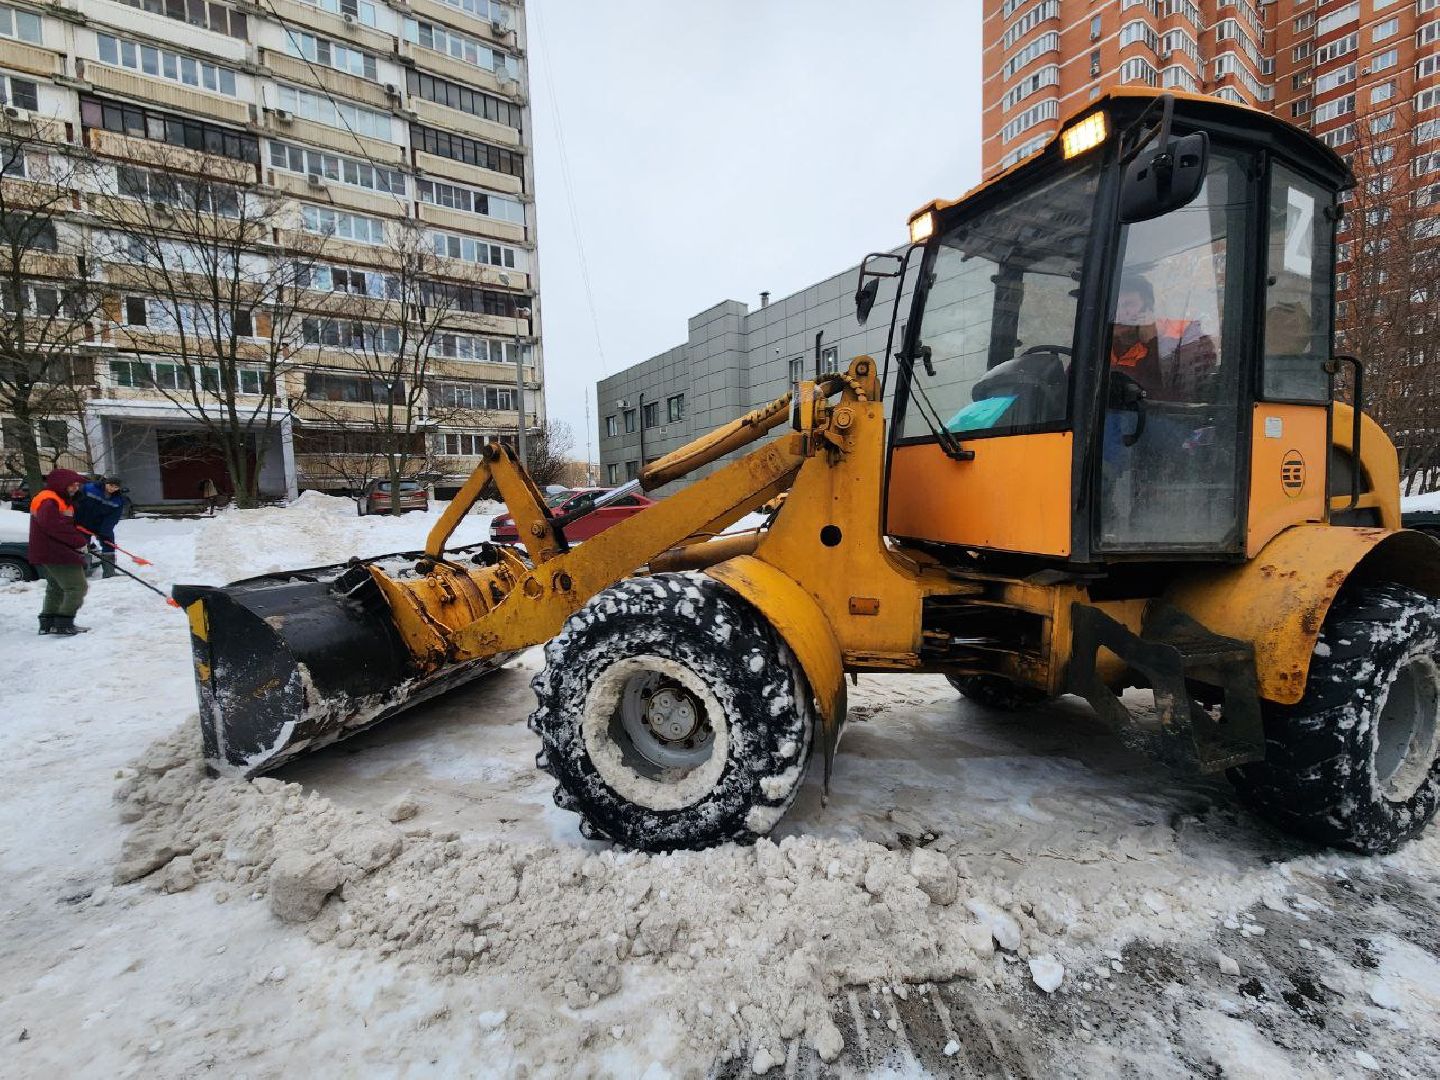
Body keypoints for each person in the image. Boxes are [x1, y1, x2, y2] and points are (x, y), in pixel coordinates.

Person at [28, 468, 92, 636]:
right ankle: (64, 623)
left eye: (77, 485)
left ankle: (47, 624)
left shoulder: (57, 498)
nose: (75, 488)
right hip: (55, 551)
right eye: (72, 485)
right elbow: (54, 526)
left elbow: (63, 523)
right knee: (77, 587)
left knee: (55, 587)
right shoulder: (49, 499)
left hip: (50, 550)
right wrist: (78, 542)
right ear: (60, 484)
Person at [76, 476, 126, 578]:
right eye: (110, 485)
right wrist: (75, 520)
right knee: (82, 546)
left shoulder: (118, 500)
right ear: (106, 483)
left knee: (109, 544)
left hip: (101, 525)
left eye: (116, 487)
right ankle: (80, 574)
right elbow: (76, 503)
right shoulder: (89, 488)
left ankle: (109, 572)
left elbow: (113, 517)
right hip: (82, 523)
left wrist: (105, 531)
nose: (112, 488)